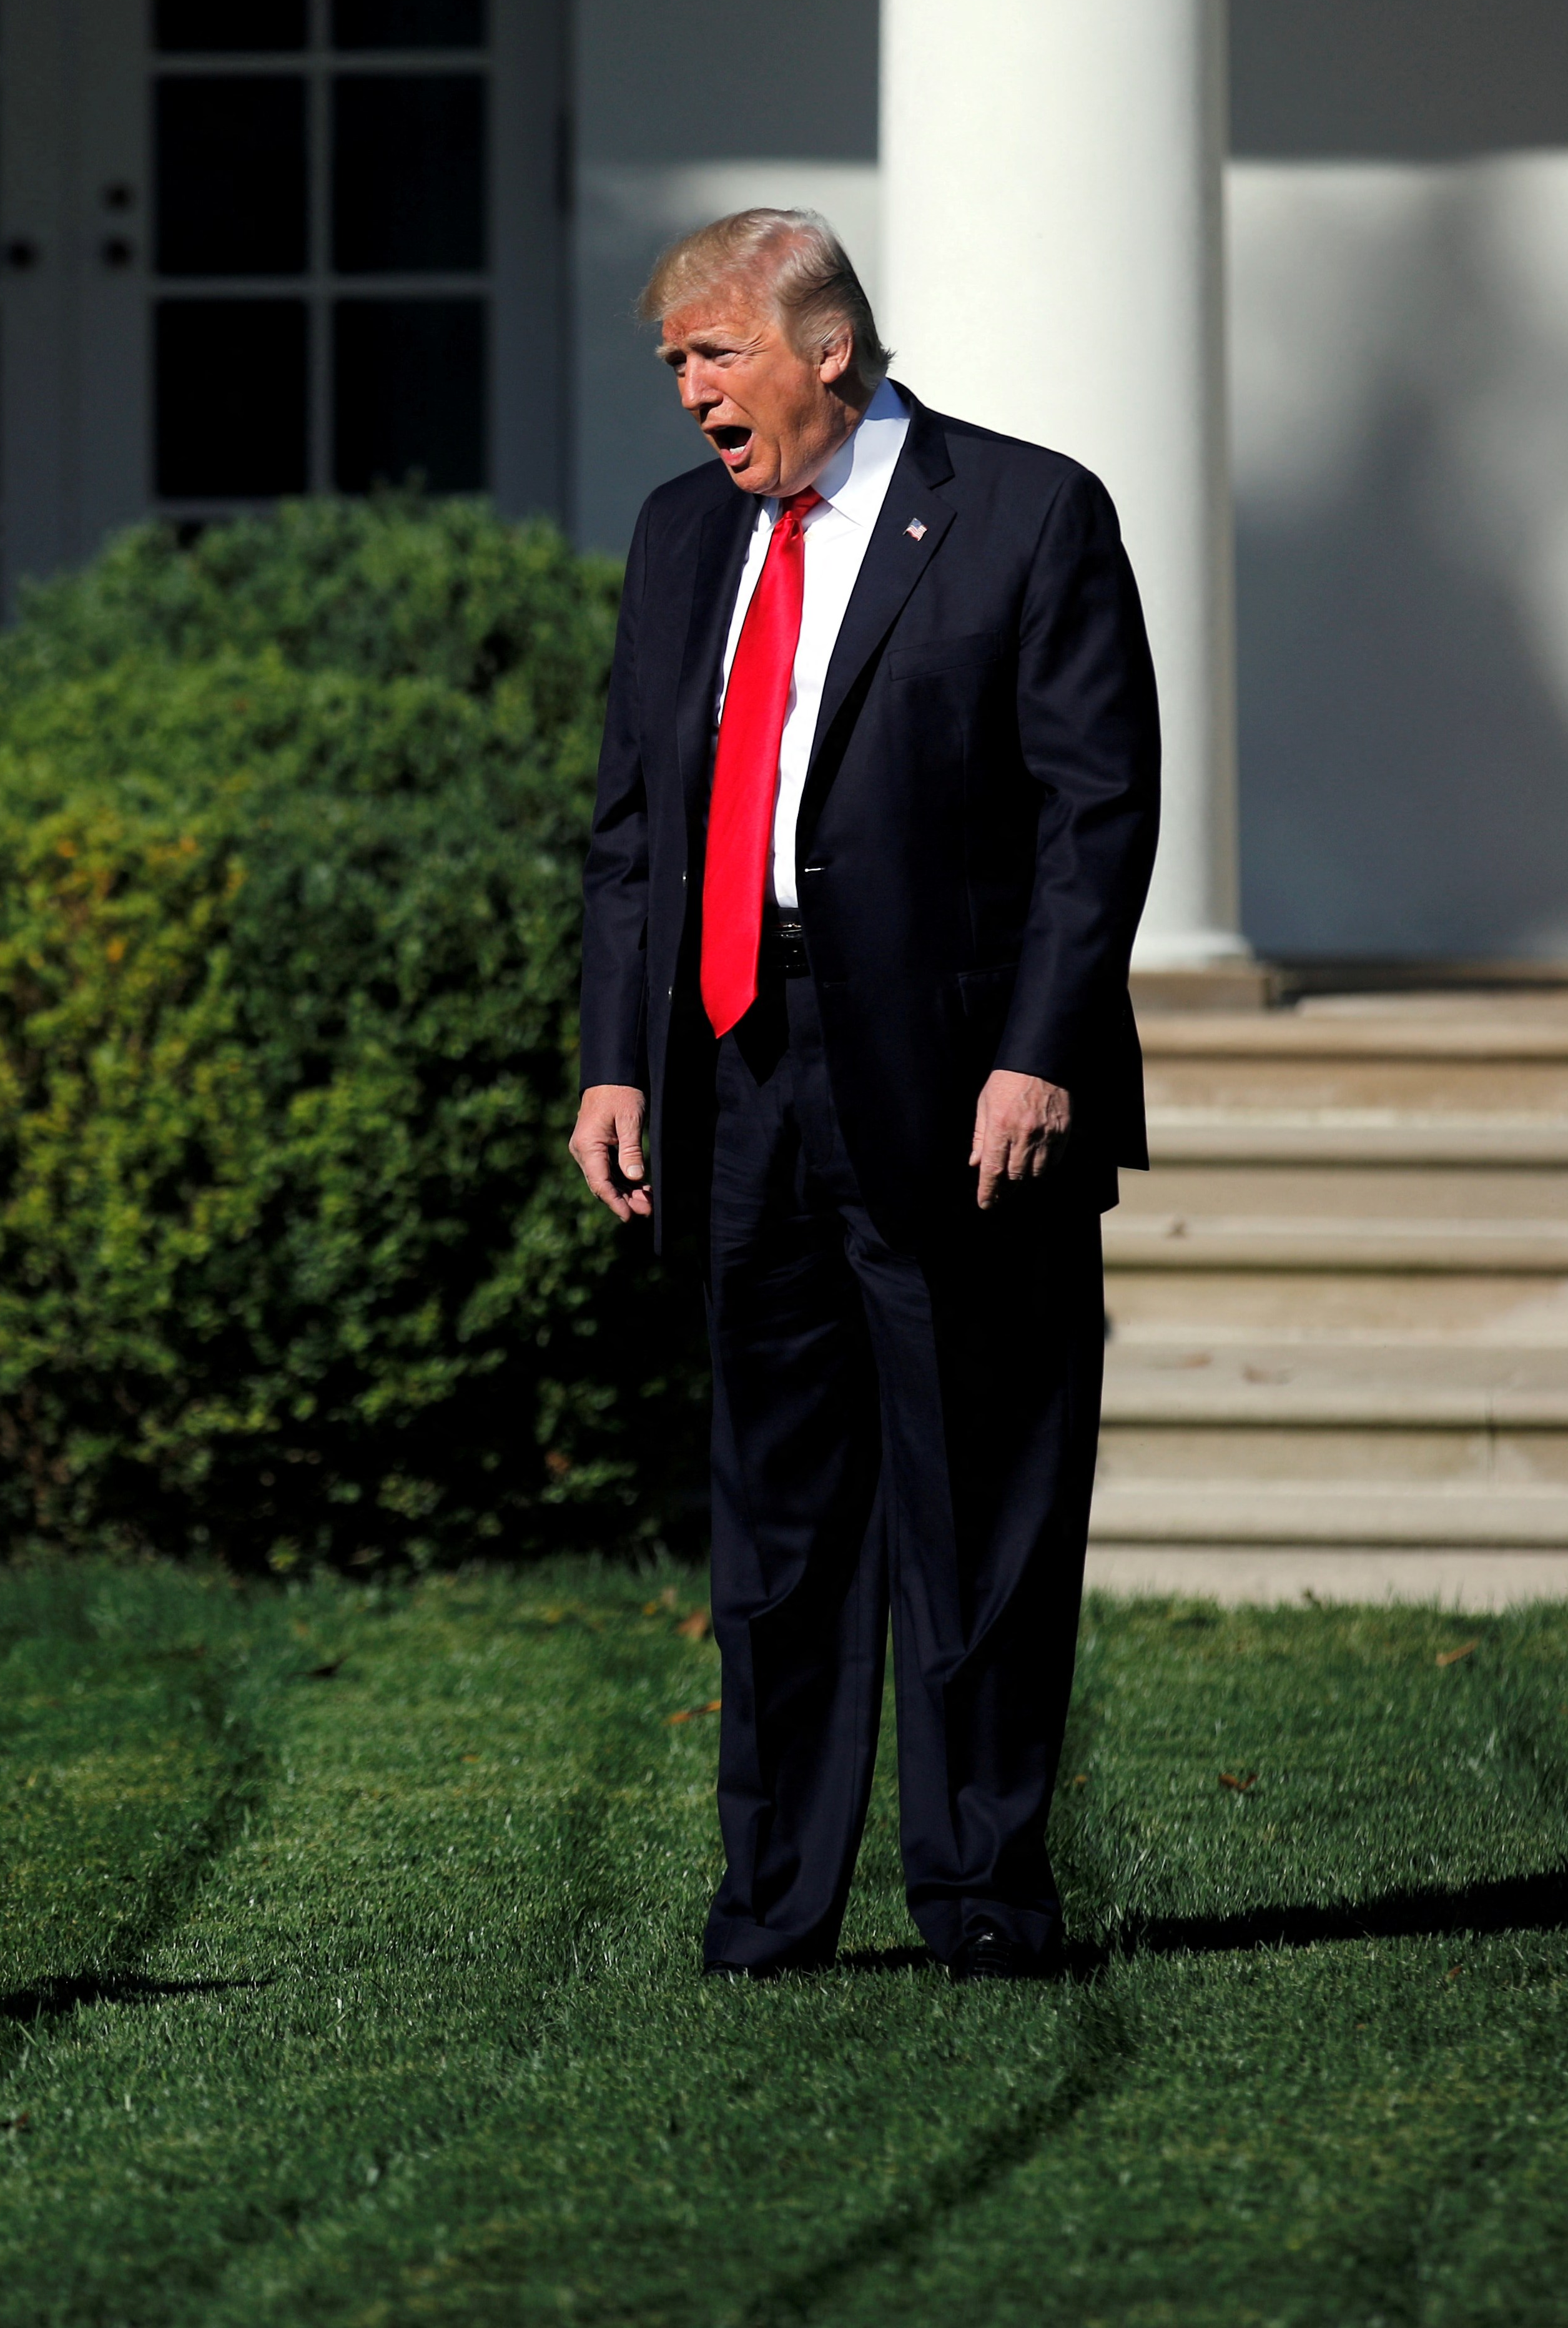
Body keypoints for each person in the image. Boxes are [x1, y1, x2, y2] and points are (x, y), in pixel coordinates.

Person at [568, 210, 1158, 1982]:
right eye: (673, 361)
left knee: (976, 1504)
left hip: (964, 1082)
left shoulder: (1024, 512)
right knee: (776, 1515)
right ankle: (772, 1910)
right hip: (738, 1075)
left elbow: (1093, 810)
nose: (687, 392)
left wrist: (1039, 1048)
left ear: (826, 349)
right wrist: (614, 1059)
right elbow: (628, 836)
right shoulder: (684, 539)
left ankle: (982, 1893)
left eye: (714, 354)